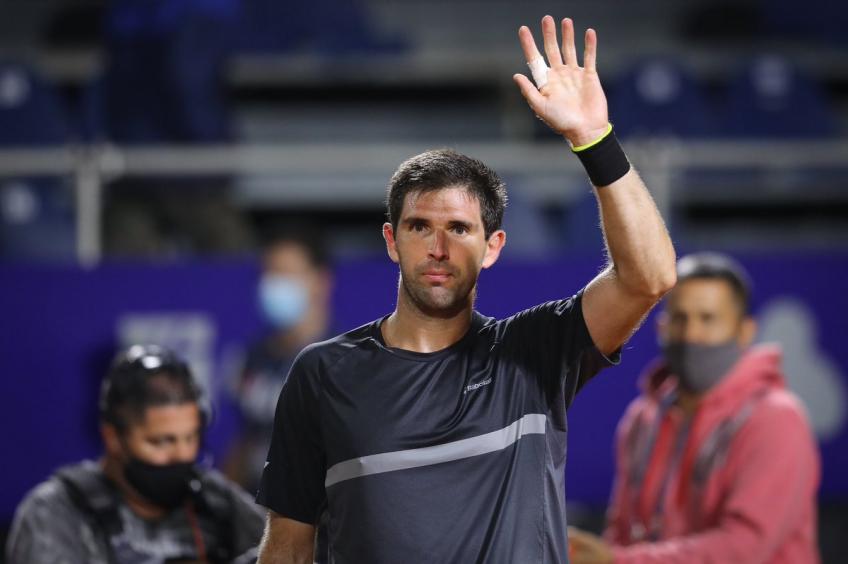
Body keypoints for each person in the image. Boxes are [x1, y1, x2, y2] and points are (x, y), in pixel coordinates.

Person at [255, 15, 677, 564]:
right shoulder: (322, 374)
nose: (438, 248)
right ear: (391, 241)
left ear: (493, 246)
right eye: (419, 227)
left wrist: (593, 140)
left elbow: (649, 277)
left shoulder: (533, 353)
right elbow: (288, 548)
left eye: (459, 229)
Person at [568, 253, 820, 563]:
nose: (691, 334)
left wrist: (616, 561)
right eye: (680, 318)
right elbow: (622, 531)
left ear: (745, 332)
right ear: (661, 327)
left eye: (708, 319)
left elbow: (745, 548)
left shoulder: (776, 419)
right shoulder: (643, 418)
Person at [6, 344, 265, 564]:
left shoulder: (215, 501)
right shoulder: (55, 512)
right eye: (162, 442)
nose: (181, 455)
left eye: (190, 438)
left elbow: (279, 551)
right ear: (113, 438)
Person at [225, 227, 334, 494]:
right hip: (257, 504)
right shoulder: (250, 358)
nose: (275, 285)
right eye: (269, 274)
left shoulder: (342, 360)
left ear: (320, 281)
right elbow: (247, 441)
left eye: (287, 274)